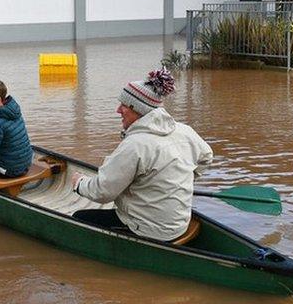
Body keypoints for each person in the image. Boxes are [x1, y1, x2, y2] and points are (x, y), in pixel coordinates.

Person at [70, 68, 213, 242]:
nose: (118, 110)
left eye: (123, 105)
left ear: (137, 108)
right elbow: (206, 157)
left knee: (79, 218)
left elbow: (103, 192)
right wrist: (184, 177)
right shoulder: (185, 132)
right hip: (180, 223)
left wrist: (79, 183)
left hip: (149, 230)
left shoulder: (135, 145)